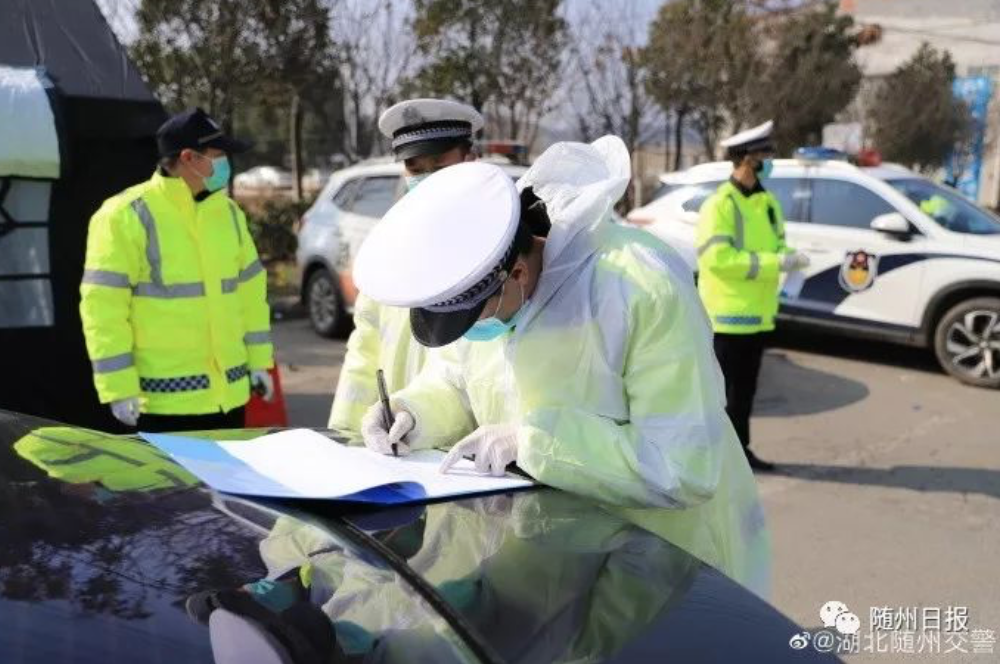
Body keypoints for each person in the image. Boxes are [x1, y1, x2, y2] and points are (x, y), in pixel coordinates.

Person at [352, 137, 770, 597]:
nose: (474, 332)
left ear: (517, 274)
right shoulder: (485, 287)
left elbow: (683, 466)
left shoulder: (639, 287)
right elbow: (455, 382)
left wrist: (535, 443)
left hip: (658, 567)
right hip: (542, 559)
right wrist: (412, 414)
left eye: (477, 318)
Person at [80, 108, 274, 433]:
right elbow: (103, 309)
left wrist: (258, 363)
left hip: (230, 399)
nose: (225, 164)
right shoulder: (123, 216)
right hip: (161, 405)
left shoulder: (228, 214)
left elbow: (251, 296)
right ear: (189, 158)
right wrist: (118, 387)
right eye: (218, 155)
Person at [328, 98, 484, 436]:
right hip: (394, 438)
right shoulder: (386, 246)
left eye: (439, 166)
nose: (426, 178)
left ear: (470, 160)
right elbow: (364, 350)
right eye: (415, 168)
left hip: (470, 448)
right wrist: (345, 434)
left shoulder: (494, 244)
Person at [695, 120, 809, 472]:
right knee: (722, 396)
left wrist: (792, 258)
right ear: (746, 159)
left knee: (744, 394)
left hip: (759, 316)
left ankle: (740, 454)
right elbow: (717, 259)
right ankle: (717, 462)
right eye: (765, 155)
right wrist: (776, 263)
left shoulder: (768, 203)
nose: (770, 162)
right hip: (728, 319)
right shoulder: (720, 205)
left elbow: (777, 244)